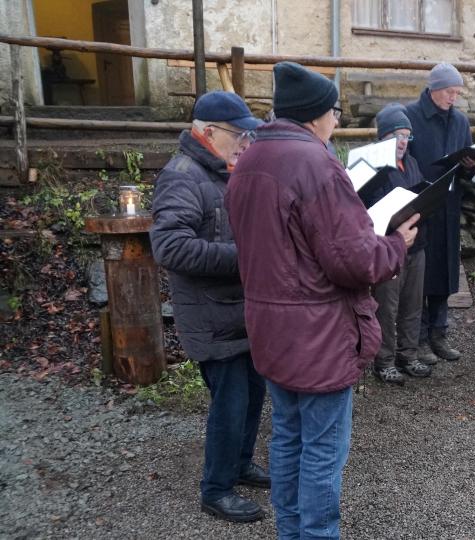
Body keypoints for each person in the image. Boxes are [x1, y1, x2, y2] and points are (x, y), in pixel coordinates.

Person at [225, 62, 419, 538]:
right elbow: (353, 262)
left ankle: (290, 532)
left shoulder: (249, 158)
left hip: (270, 329)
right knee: (321, 452)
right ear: (316, 116)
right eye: (335, 111)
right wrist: (396, 244)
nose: (337, 120)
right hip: (318, 335)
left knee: (288, 439)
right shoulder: (317, 163)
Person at [149, 91, 269, 522]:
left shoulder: (220, 170)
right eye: (239, 135)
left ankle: (239, 463)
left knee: (254, 392)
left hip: (238, 310)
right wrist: (246, 257)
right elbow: (170, 248)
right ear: (208, 132)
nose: (245, 143)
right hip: (210, 313)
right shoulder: (182, 176)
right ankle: (215, 489)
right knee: (230, 402)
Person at [405, 63, 475, 365]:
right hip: (420, 205)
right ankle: (418, 338)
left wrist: (470, 165)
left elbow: (467, 158)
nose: (454, 98)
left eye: (458, 93)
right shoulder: (410, 116)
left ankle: (439, 333)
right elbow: (403, 160)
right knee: (421, 273)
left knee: (446, 271)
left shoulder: (460, 121)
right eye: (450, 92)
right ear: (434, 89)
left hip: (449, 205)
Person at [364, 104, 433, 384]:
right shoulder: (370, 165)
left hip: (416, 244)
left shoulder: (412, 162)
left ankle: (408, 354)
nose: (403, 142)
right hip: (387, 246)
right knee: (387, 305)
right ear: (383, 137)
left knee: (413, 304)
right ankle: (384, 360)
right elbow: (366, 209)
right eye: (397, 135)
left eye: (407, 136)